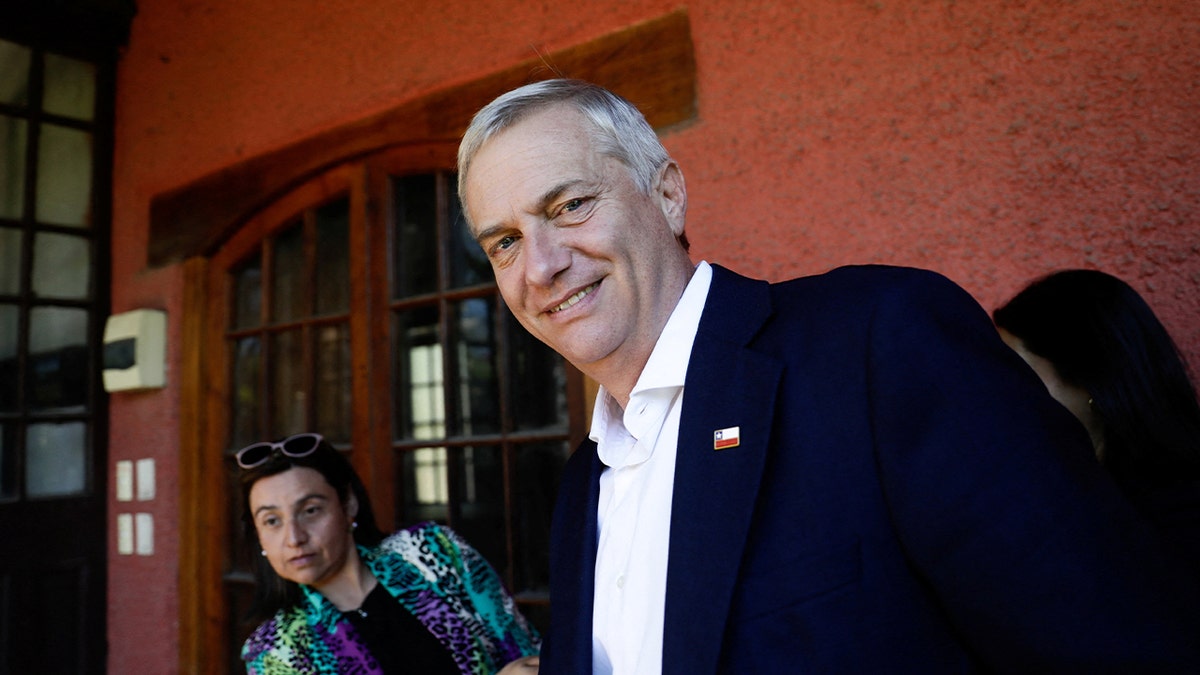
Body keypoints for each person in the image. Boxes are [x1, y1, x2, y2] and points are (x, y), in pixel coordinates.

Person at [456, 78, 1200, 673]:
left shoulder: (879, 342)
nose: (542, 265)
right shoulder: (586, 482)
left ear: (668, 193)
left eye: (571, 204)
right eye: (505, 242)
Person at [237, 432, 541, 674]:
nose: (294, 537)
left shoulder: (432, 553)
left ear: (348, 505)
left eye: (311, 510)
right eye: (272, 521)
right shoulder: (276, 653)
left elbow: (527, 653)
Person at [994, 268, 1200, 564]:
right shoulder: (1026, 489)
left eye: (1015, 371)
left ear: (1089, 380)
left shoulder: (1178, 519)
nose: (995, 390)